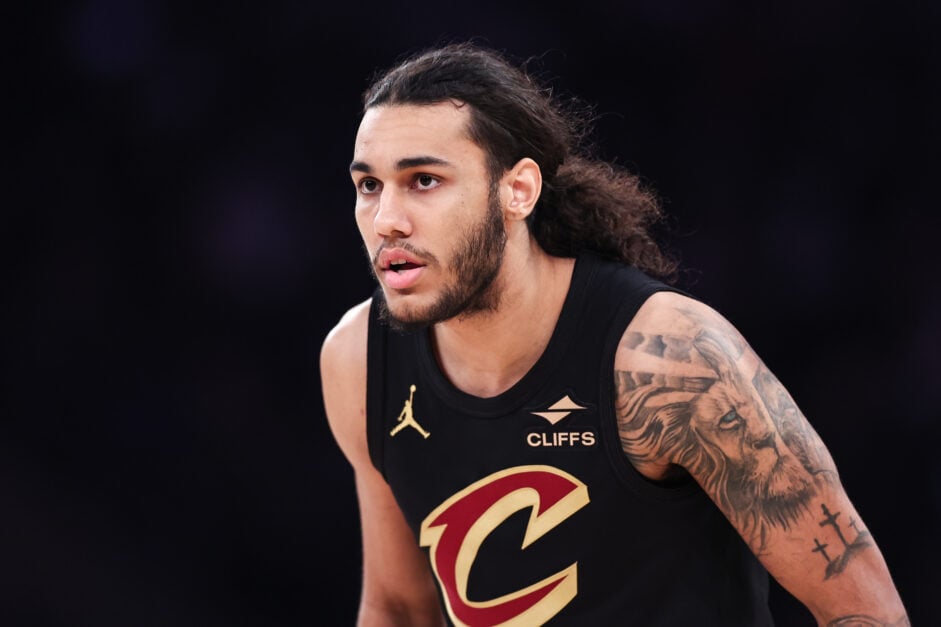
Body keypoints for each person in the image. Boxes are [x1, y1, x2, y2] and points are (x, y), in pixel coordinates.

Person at [320, 41, 909, 626]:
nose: (386, 219)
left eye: (423, 180)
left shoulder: (674, 360)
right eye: (369, 185)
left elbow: (864, 612)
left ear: (517, 190)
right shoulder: (358, 359)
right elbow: (399, 608)